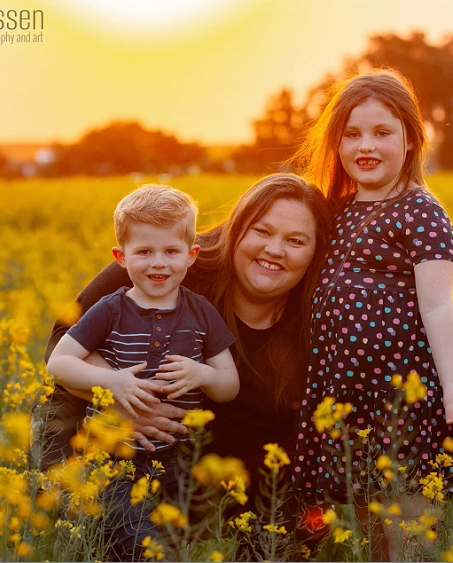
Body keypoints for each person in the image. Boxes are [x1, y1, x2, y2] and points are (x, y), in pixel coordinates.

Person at [38, 174, 334, 560]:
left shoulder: (322, 311)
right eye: (262, 231)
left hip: (234, 479)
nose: (275, 249)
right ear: (237, 229)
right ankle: (71, 513)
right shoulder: (167, 264)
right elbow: (62, 343)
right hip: (134, 454)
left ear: (315, 252)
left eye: (296, 241)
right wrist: (119, 398)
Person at [288, 68, 453, 560]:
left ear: (411, 138)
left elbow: (439, 304)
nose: (366, 146)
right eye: (352, 134)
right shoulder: (334, 211)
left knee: (404, 538)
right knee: (355, 538)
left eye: (382, 132)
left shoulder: (420, 210)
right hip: (340, 400)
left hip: (403, 402)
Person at [45, 184, 239, 560]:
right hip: (115, 456)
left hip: (181, 458)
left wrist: (202, 375)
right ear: (120, 257)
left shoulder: (202, 313)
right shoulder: (110, 309)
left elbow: (228, 385)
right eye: (144, 252)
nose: (158, 263)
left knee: (171, 542)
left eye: (171, 251)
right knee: (138, 545)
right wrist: (113, 382)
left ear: (192, 255)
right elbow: (60, 361)